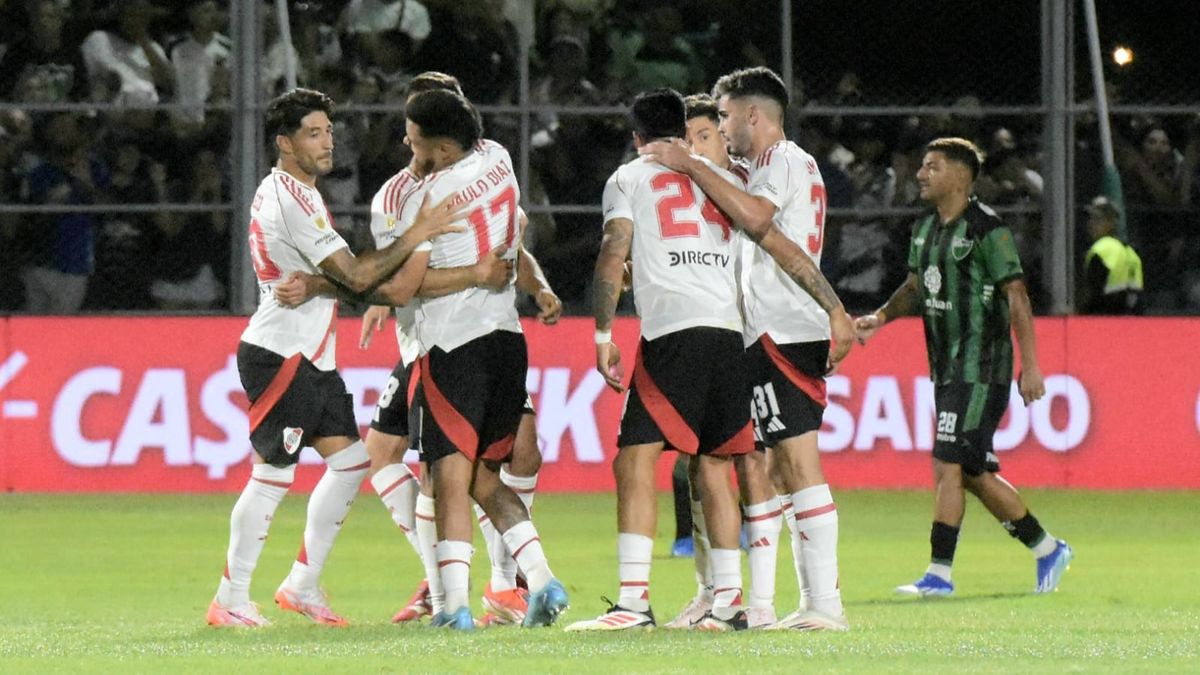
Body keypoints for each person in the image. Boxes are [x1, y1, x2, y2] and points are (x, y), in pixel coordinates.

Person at [205, 87, 462, 628]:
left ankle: (302, 584)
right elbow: (360, 277)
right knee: (272, 473)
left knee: (351, 464)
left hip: (311, 357)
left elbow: (336, 280)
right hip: (282, 354)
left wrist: (320, 284)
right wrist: (418, 232)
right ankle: (230, 598)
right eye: (314, 133)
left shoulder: (294, 191)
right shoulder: (290, 201)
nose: (328, 141)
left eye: (329, 130)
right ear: (285, 142)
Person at [641, 67, 855, 632]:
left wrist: (690, 165)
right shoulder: (766, 168)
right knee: (770, 466)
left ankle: (823, 605)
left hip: (786, 328)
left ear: (753, 115)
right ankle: (769, 603)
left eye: (727, 116)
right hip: (765, 329)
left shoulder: (782, 160)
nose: (723, 127)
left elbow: (759, 222)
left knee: (797, 463)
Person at [566, 88, 754, 632]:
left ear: (636, 136)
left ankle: (633, 603)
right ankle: (729, 604)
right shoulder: (720, 178)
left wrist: (602, 332)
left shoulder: (629, 177)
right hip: (728, 331)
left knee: (634, 458)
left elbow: (613, 252)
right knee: (715, 466)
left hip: (676, 329)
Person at [854, 137, 1074, 598]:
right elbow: (914, 287)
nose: (920, 174)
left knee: (948, 462)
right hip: (947, 368)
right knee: (972, 471)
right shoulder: (925, 229)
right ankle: (1046, 547)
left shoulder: (986, 230)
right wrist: (880, 317)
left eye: (931, 167)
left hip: (983, 367)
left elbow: (1017, 296)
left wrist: (1031, 365)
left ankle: (939, 574)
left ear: (960, 176)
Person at [389, 88, 568, 630]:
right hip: (506, 340)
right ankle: (540, 580)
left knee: (447, 480)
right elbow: (513, 237)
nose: (406, 144)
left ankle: (456, 609)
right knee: (487, 480)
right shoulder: (499, 158)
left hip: (453, 347)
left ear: (442, 150)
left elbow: (409, 286)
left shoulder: (431, 196)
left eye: (415, 138)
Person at [664, 93, 782, 630]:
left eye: (706, 136)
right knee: (700, 468)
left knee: (752, 466)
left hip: (752, 342)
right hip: (712, 346)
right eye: (686, 140)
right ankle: (712, 591)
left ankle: (752, 600)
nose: (695, 149)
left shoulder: (742, 185)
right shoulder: (677, 193)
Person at [1080, 196, 1142, 315]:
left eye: (1098, 219)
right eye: (1091, 218)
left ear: (1111, 223)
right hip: (1131, 319)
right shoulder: (1131, 252)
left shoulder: (1101, 249)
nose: (1091, 224)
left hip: (1104, 318)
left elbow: (1091, 293)